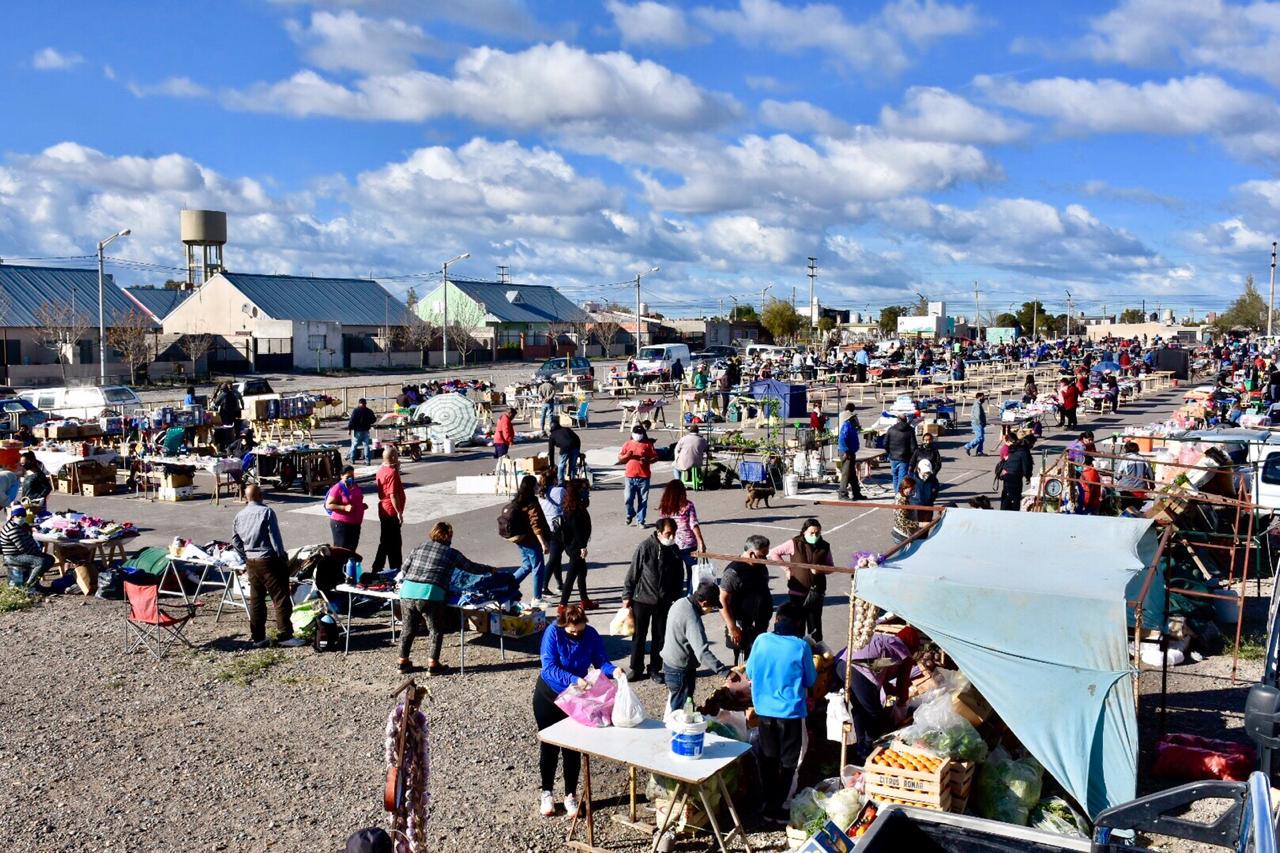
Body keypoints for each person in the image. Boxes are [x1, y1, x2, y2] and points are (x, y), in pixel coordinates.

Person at [533, 604, 615, 818]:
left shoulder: (591, 634)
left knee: (573, 748)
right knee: (549, 746)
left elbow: (601, 662)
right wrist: (573, 679)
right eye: (572, 631)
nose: (577, 634)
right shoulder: (553, 632)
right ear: (563, 626)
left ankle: (570, 794)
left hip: (575, 699)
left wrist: (614, 670)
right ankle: (547, 792)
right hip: (549, 695)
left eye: (580, 629)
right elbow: (548, 667)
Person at [748, 603, 817, 825]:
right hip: (790, 714)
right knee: (787, 763)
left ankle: (767, 805)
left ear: (777, 620)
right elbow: (810, 680)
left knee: (768, 760)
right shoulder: (800, 646)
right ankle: (776, 808)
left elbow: (750, 671)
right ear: (799, 624)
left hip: (764, 713)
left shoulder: (761, 640)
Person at [398, 521, 494, 675]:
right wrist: (490, 569)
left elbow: (404, 569)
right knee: (435, 630)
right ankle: (433, 664)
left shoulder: (419, 548)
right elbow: (471, 567)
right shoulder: (452, 553)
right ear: (448, 536)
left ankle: (403, 662)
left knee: (408, 628)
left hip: (407, 591)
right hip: (431, 593)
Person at [231, 485, 303, 647]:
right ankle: (285, 636)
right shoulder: (266, 512)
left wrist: (245, 555)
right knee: (281, 598)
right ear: (260, 495)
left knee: (256, 600)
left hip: (251, 561)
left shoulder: (239, 516)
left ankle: (258, 637)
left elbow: (235, 541)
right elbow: (275, 538)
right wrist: (283, 558)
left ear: (246, 497)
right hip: (269, 560)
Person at [622, 517, 685, 683]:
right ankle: (636, 668)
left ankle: (655, 669)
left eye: (673, 533)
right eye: (668, 533)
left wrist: (677, 598)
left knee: (660, 636)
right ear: (658, 533)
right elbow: (633, 573)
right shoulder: (645, 547)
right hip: (642, 599)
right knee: (639, 636)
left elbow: (679, 576)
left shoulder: (674, 550)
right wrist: (626, 596)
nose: (671, 537)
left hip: (664, 601)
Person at [845, 626, 920, 761]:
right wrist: (902, 707)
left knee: (860, 709)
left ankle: (860, 746)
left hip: (842, 663)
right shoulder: (904, 653)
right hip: (858, 670)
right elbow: (902, 684)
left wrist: (891, 692)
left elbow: (883, 676)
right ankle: (867, 749)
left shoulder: (886, 641)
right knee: (874, 713)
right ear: (912, 646)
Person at [661, 580, 733, 713]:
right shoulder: (692, 617)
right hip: (680, 671)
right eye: (712, 606)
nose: (711, 610)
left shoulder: (681, 602)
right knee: (681, 713)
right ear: (704, 603)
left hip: (670, 664)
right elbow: (702, 652)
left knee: (681, 707)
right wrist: (725, 672)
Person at [768, 518, 833, 641]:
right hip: (797, 592)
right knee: (797, 624)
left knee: (815, 626)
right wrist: (787, 569)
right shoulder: (794, 543)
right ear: (804, 532)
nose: (815, 536)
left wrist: (820, 570)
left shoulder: (825, 546)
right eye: (811, 533)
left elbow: (831, 567)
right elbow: (774, 553)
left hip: (816, 592)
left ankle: (815, 652)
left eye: (817, 533)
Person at [720, 535, 774, 663]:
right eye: (762, 556)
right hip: (741, 624)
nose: (765, 559)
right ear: (751, 554)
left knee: (758, 656)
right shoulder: (733, 572)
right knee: (743, 661)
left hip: (759, 622)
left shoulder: (761, 567)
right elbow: (722, 601)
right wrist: (732, 627)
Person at [507, 474, 553, 607]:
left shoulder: (518, 500)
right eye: (537, 485)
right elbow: (535, 524)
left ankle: (507, 586)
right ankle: (537, 598)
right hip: (531, 539)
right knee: (538, 566)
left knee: (527, 565)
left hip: (520, 539)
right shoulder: (531, 502)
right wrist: (543, 542)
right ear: (532, 487)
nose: (539, 486)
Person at [658, 478, 707, 592]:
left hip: (670, 544)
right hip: (688, 544)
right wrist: (701, 542)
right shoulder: (688, 505)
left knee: (674, 574)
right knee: (692, 573)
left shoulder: (665, 507)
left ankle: (675, 597)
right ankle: (689, 596)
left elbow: (661, 526)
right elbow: (693, 524)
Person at [558, 479, 595, 611]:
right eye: (584, 489)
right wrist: (582, 547)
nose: (586, 492)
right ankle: (562, 605)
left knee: (582, 572)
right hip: (575, 547)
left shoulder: (575, 506)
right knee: (571, 576)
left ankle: (584, 601)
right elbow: (577, 530)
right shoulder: (574, 510)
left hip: (574, 545)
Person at [1, 504, 55, 591]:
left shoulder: (20, 525)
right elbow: (24, 549)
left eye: (23, 515)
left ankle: (35, 584)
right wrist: (38, 552)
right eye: (18, 516)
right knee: (41, 562)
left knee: (50, 559)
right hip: (13, 556)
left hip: (20, 553)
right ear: (13, 517)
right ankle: (29, 586)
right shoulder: (13, 529)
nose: (21, 518)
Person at [371, 447, 405, 575]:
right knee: (394, 542)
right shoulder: (391, 473)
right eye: (396, 455)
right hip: (390, 510)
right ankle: (391, 567)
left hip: (384, 509)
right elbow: (393, 495)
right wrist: (399, 512)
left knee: (387, 540)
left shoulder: (382, 470)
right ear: (392, 458)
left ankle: (386, 566)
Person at [618, 425, 658, 527]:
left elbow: (655, 457)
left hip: (643, 477)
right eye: (636, 433)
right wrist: (627, 456)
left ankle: (641, 521)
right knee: (628, 499)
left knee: (643, 500)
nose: (638, 436)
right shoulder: (627, 444)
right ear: (632, 433)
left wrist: (647, 460)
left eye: (640, 434)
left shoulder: (648, 445)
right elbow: (620, 459)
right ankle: (630, 513)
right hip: (630, 476)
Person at [325, 465, 366, 552]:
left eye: (352, 476)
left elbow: (355, 499)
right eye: (348, 477)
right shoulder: (337, 488)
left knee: (351, 552)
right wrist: (344, 507)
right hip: (341, 525)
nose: (351, 478)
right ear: (341, 476)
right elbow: (328, 505)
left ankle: (348, 566)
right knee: (341, 552)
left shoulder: (355, 485)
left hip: (355, 524)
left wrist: (361, 506)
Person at [537, 471, 566, 595]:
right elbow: (566, 506)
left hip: (547, 528)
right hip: (559, 527)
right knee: (554, 558)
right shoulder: (560, 491)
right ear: (554, 479)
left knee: (556, 557)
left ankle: (560, 584)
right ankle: (544, 586)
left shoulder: (540, 494)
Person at [837, 403, 865, 501]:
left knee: (852, 474)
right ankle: (842, 493)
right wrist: (846, 451)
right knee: (846, 473)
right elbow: (842, 439)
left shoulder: (850, 426)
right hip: (847, 452)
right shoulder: (846, 426)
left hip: (850, 452)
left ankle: (856, 492)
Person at [998, 434, 1034, 511]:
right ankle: (1014, 512)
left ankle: (1003, 511)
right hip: (1014, 476)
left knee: (1006, 494)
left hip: (1006, 473)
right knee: (1015, 497)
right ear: (1030, 443)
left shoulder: (1015, 447)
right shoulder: (1024, 452)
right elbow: (1026, 466)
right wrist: (1028, 477)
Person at [884, 413, 917, 494]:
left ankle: (896, 494)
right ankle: (899, 495)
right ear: (906, 420)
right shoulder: (910, 430)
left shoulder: (891, 429)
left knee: (895, 477)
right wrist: (913, 459)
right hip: (904, 458)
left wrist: (889, 453)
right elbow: (913, 447)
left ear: (898, 420)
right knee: (902, 478)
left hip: (893, 457)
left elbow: (885, 443)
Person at [347, 398, 377, 464]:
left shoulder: (356, 410)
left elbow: (352, 421)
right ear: (365, 403)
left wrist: (349, 429)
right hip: (366, 430)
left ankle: (352, 459)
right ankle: (367, 461)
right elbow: (374, 419)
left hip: (357, 431)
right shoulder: (369, 411)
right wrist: (369, 422)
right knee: (366, 445)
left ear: (359, 403)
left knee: (354, 445)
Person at [892, 476, 919, 542]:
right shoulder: (901, 500)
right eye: (912, 489)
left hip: (905, 534)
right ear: (904, 488)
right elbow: (902, 521)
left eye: (914, 489)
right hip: (902, 535)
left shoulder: (905, 496)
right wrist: (919, 524)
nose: (913, 491)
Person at [964, 392, 988, 456]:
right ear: (979, 397)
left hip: (978, 423)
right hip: (977, 423)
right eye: (983, 397)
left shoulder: (978, 404)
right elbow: (978, 415)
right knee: (979, 438)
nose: (984, 398)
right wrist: (981, 422)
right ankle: (968, 446)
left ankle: (979, 451)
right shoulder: (977, 405)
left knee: (982, 438)